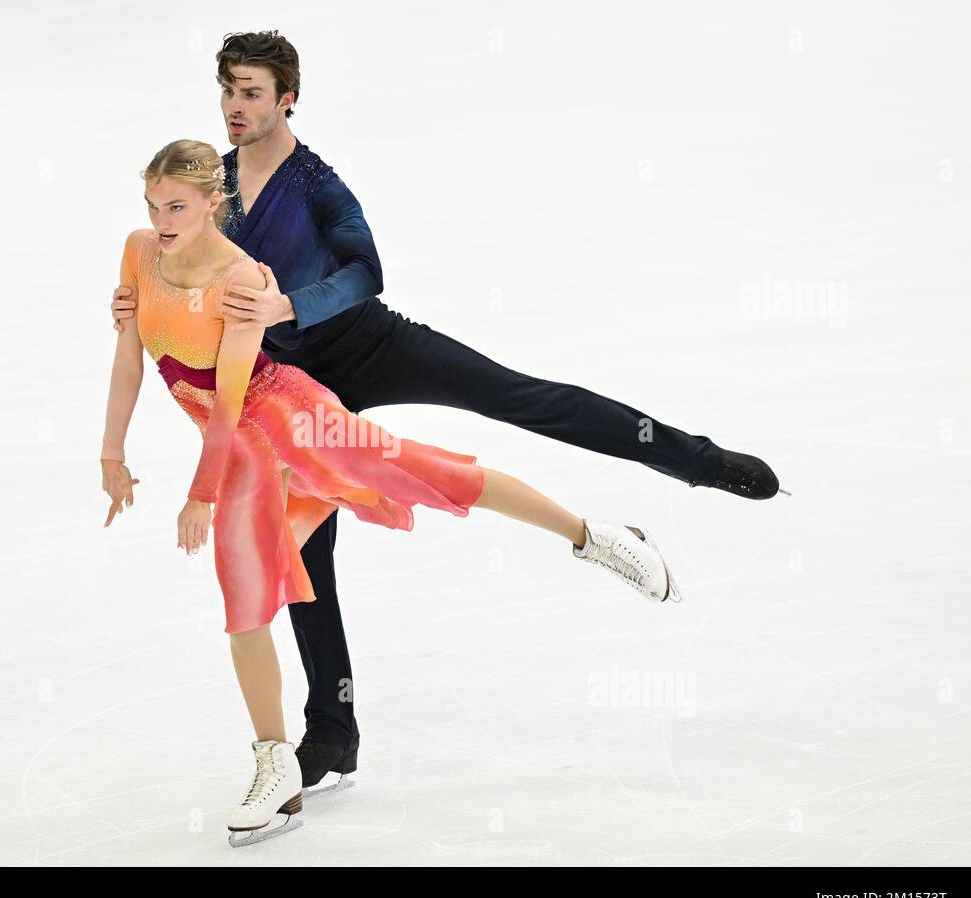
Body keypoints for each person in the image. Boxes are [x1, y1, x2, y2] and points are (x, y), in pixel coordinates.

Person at [109, 31, 782, 793]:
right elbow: (178, 264)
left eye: (252, 92)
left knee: (514, 396)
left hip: (369, 343)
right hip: (287, 383)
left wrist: (289, 301)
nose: (235, 107)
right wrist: (139, 300)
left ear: (287, 98)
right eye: (228, 90)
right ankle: (332, 734)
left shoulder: (315, 183)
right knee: (305, 555)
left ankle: (692, 460)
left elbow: (368, 270)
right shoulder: (212, 188)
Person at [101, 139, 682, 843]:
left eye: (177, 206)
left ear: (210, 204)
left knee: (432, 475)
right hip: (248, 455)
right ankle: (275, 764)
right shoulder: (139, 252)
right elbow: (130, 352)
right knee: (245, 598)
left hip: (293, 422)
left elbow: (227, 403)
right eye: (154, 205)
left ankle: (595, 539)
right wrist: (112, 452)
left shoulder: (241, 278)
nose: (162, 219)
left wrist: (199, 494)